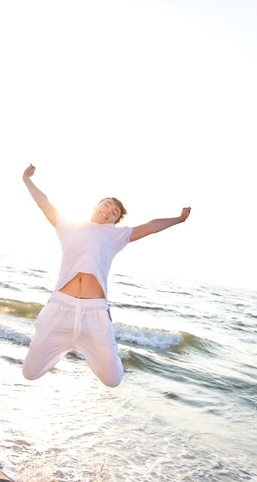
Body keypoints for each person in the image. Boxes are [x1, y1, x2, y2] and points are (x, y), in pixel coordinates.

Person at [21, 164, 191, 387]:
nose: (109, 211)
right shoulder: (69, 226)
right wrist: (27, 179)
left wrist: (179, 219)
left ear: (115, 221)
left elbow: (151, 226)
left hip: (95, 316)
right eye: (106, 205)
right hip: (59, 310)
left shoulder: (116, 235)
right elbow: (44, 202)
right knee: (29, 373)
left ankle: (93, 347)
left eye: (114, 213)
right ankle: (63, 346)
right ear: (95, 206)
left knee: (113, 381)